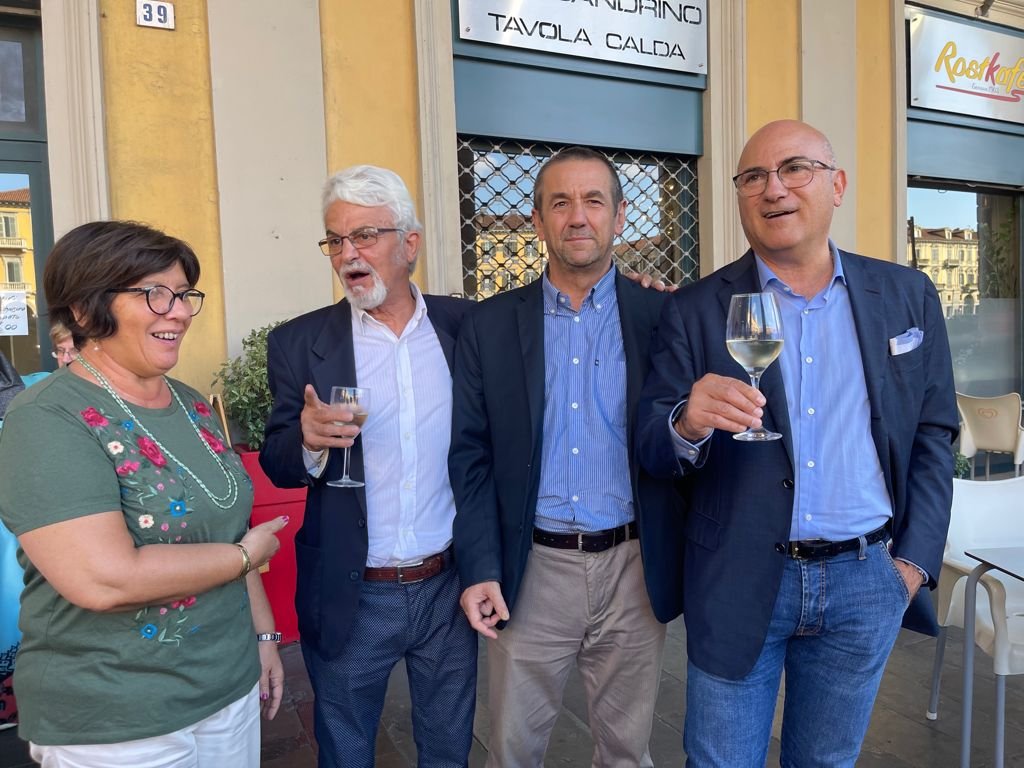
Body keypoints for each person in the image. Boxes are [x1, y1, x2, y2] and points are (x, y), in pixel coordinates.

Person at [636, 119, 959, 767]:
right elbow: (650, 445)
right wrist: (687, 423)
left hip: (866, 579)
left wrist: (912, 566)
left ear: (836, 185)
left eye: (795, 169)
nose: (774, 188)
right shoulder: (695, 308)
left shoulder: (906, 295)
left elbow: (934, 432)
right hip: (736, 578)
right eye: (753, 176)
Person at [0, 220, 289, 766]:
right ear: (84, 310)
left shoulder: (192, 403)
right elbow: (104, 578)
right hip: (116, 712)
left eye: (183, 295)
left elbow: (229, 528)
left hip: (227, 685)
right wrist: (243, 556)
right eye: (155, 293)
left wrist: (264, 638)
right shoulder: (47, 417)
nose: (178, 312)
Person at [449, 146, 685, 767]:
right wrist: (480, 565)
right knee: (512, 750)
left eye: (593, 201)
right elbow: (470, 456)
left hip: (635, 567)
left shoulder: (665, 316)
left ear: (620, 216)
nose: (578, 216)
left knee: (628, 752)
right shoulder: (490, 326)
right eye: (560, 202)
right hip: (532, 571)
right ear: (537, 220)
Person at [259, 165, 476, 768]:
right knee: (347, 750)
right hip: (353, 590)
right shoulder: (298, 343)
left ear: (410, 243)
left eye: (365, 236)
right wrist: (306, 440)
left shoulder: (466, 326)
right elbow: (277, 461)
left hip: (448, 584)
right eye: (335, 240)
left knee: (449, 749)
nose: (347, 254)